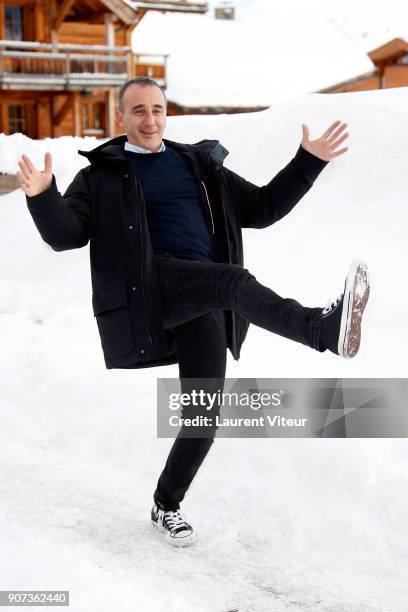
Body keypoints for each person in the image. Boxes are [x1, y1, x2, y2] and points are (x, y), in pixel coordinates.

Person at [18, 77, 370, 548]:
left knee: (203, 414)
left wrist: (310, 162)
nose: (149, 119)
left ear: (167, 115)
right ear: (120, 117)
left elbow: (262, 207)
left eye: (158, 110)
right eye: (138, 111)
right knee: (232, 280)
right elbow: (67, 236)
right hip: (152, 287)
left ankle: (166, 505)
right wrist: (42, 197)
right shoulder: (102, 175)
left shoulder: (197, 165)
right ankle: (321, 329)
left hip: (200, 293)